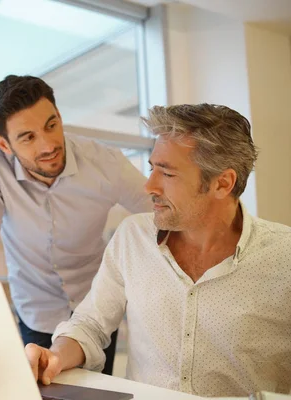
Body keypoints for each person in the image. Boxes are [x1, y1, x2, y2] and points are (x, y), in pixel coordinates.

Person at [25, 103, 291, 397]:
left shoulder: (284, 257)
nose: (149, 186)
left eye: (167, 174)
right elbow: (90, 324)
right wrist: (57, 356)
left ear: (222, 183)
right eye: (152, 168)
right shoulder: (132, 237)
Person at [0, 75, 152, 375]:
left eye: (51, 125)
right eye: (28, 137)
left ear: (59, 117)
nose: (48, 144)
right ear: (3, 144)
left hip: (95, 309)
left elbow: (157, 210)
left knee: (95, 395)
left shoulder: (104, 162)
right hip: (36, 311)